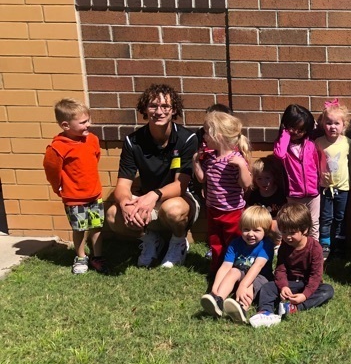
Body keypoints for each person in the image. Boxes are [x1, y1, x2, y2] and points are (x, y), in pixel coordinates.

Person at [106, 84, 200, 268]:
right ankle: (150, 239)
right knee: (112, 215)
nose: (159, 112)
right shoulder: (132, 141)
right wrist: (125, 204)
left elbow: (180, 185)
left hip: (180, 198)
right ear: (145, 109)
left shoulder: (187, 139)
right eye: (153, 106)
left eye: (165, 106)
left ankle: (179, 241)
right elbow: (123, 185)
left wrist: (153, 195)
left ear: (174, 110)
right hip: (147, 199)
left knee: (173, 209)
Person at [43, 98, 106, 274]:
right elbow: (51, 171)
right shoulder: (57, 148)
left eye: (88, 120)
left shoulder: (92, 140)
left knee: (97, 226)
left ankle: (97, 256)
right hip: (74, 199)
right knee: (80, 229)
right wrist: (59, 188)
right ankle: (80, 257)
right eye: (83, 122)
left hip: (95, 195)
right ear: (66, 125)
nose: (88, 125)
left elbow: (95, 158)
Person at [249, 203, 334, 328]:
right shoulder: (285, 246)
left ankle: (294, 307)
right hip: (290, 282)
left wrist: (304, 295)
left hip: (306, 283)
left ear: (305, 230)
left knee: (327, 290)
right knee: (267, 287)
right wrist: (283, 286)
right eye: (284, 232)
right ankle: (265, 312)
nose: (287, 237)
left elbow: (316, 276)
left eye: (292, 233)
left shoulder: (315, 248)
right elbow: (280, 269)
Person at [192, 111, 252, 275]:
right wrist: (196, 161)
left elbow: (246, 184)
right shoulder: (210, 158)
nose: (204, 136)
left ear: (217, 136)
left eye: (206, 132)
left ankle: (237, 269)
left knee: (234, 241)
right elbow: (202, 178)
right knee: (216, 240)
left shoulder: (235, 159)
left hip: (232, 211)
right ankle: (217, 268)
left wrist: (242, 166)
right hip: (213, 209)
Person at [201, 206, 275, 324]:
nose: (250, 234)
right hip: (241, 274)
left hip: (260, 277)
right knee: (233, 271)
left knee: (250, 285)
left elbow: (257, 266)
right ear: (240, 228)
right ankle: (218, 300)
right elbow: (226, 266)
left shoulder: (266, 245)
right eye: (246, 229)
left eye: (256, 230)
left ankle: (241, 308)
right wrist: (215, 288)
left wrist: (243, 285)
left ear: (265, 231)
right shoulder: (235, 243)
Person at [274, 104, 321, 240]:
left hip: (313, 193)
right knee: (295, 223)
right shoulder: (283, 146)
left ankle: (313, 248)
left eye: (301, 130)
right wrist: (285, 133)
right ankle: (296, 247)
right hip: (294, 194)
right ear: (285, 125)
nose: (296, 132)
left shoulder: (310, 143)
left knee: (313, 223)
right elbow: (279, 154)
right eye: (292, 127)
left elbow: (316, 165)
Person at [315, 99, 351, 260]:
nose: (333, 127)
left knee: (340, 217)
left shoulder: (347, 143)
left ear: (344, 125)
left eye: (337, 123)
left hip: (343, 187)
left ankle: (339, 244)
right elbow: (314, 163)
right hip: (325, 187)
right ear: (323, 124)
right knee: (326, 217)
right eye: (329, 123)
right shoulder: (318, 143)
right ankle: (325, 244)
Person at [246, 156, 286, 244]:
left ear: (274, 177)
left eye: (267, 178)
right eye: (259, 178)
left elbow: (285, 213)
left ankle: (278, 245)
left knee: (275, 225)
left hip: (276, 225)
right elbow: (249, 211)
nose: (264, 182)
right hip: (259, 224)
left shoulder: (280, 193)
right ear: (254, 179)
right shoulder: (255, 194)